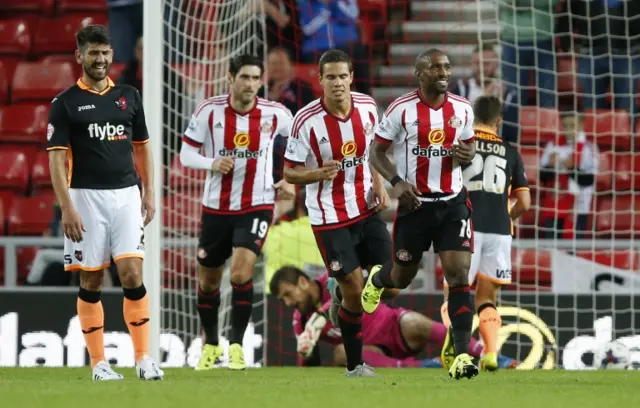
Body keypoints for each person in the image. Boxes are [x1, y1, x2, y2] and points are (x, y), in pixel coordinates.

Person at [46, 25, 163, 381]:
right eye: (93, 53)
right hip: (85, 197)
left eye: (106, 53)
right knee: (92, 280)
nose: (100, 60)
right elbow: (56, 160)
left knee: (131, 273)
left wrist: (149, 191)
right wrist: (67, 207)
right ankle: (99, 364)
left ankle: (143, 359)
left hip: (126, 195)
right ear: (80, 56)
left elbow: (142, 147)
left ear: (113, 55)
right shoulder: (64, 103)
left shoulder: (129, 95)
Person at [362, 49, 478, 380]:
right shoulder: (401, 109)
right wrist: (397, 183)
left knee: (458, 276)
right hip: (415, 206)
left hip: (453, 203)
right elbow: (376, 152)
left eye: (447, 67)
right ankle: (377, 279)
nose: (443, 72)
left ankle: (462, 356)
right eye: (435, 67)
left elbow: (468, 151)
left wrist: (467, 154)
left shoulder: (463, 109)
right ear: (419, 74)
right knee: (401, 279)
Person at [179, 54, 295, 371]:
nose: (249, 84)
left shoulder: (277, 114)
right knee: (208, 282)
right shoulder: (209, 111)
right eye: (244, 77)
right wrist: (211, 163)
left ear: (261, 80)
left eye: (255, 78)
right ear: (230, 78)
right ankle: (212, 345)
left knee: (242, 274)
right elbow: (186, 154)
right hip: (216, 208)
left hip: (257, 204)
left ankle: (237, 347)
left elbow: (301, 146)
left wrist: (289, 178)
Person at [283, 49, 390, 377]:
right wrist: (317, 173)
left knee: (393, 269)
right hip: (329, 217)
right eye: (331, 77)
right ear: (321, 80)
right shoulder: (305, 121)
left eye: (343, 76)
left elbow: (374, 151)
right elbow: (290, 173)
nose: (338, 83)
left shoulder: (369, 108)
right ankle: (355, 366)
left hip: (365, 206)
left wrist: (381, 184)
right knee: (355, 290)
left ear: (351, 78)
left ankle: (337, 290)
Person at [271, 267, 517, 369]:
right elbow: (308, 364)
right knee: (341, 354)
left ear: (303, 282)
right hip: (370, 350)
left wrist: (322, 316)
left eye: (288, 295)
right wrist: (306, 353)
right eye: (283, 301)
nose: (289, 303)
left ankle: (484, 353)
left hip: (393, 327)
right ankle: (425, 367)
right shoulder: (300, 320)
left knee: (415, 322)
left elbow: (353, 291)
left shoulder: (333, 280)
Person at [440, 95, 530, 371]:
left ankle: (456, 345)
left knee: (455, 293)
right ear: (498, 122)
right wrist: (506, 216)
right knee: (487, 298)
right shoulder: (511, 150)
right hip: (500, 232)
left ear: (471, 118)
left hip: (465, 227)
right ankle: (491, 353)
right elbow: (524, 203)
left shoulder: (460, 147)